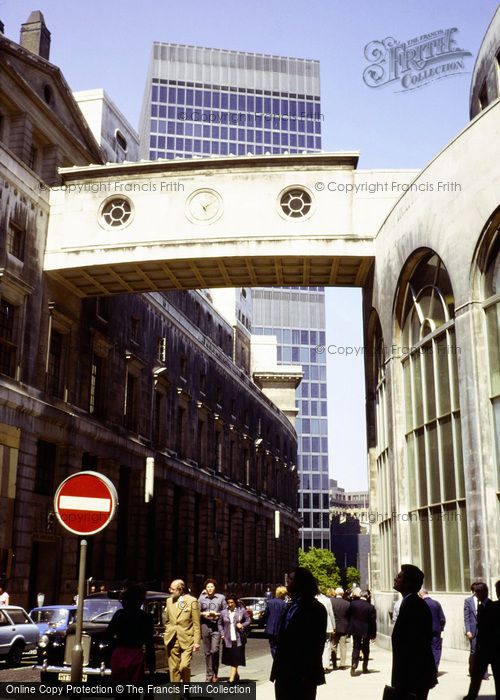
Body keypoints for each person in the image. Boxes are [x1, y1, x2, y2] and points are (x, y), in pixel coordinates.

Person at [270, 567, 327, 700]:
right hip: (284, 673)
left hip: (303, 675)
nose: (287, 584)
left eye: (290, 580)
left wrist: (307, 673)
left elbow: (317, 644)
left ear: (300, 583)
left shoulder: (316, 608)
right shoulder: (290, 606)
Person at [391, 565, 437, 700]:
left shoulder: (414, 605)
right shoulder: (409, 603)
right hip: (412, 675)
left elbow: (413, 645)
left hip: (413, 676)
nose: (395, 579)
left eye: (399, 577)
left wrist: (402, 680)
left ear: (408, 583)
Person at [107, 584, 155, 684]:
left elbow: (109, 634)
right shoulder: (145, 617)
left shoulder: (119, 614)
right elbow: (149, 643)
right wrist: (151, 667)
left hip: (119, 654)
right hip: (135, 656)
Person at [463, 582, 500, 700]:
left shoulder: (492, 606)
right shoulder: (489, 605)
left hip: (487, 647)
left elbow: (484, 628)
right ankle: (471, 696)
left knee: (477, 676)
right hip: (489, 647)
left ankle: (471, 696)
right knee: (477, 675)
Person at [163, 578, 201, 682]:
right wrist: (168, 632)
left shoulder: (192, 601)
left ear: (180, 589)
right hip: (172, 639)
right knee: (174, 669)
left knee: (184, 666)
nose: (170, 590)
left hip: (187, 640)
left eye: (172, 589)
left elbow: (196, 623)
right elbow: (167, 621)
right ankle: (176, 696)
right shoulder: (169, 601)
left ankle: (186, 689)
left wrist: (196, 642)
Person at [218, 594, 251, 682]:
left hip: (239, 638)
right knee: (231, 657)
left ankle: (231, 679)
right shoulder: (223, 612)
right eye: (228, 602)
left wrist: (242, 625)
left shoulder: (242, 611)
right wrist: (222, 633)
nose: (230, 604)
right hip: (227, 638)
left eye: (232, 602)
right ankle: (236, 675)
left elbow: (248, 620)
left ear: (235, 602)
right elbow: (220, 624)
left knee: (235, 657)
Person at [198, 578, 226, 681]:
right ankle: (209, 675)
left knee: (215, 650)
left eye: (212, 586)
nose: (210, 589)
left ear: (215, 588)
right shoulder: (201, 599)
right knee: (207, 652)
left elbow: (225, 612)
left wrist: (217, 614)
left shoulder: (221, 598)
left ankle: (215, 672)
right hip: (205, 625)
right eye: (208, 587)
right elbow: (196, 612)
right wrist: (203, 614)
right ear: (205, 588)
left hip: (216, 626)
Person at [347, 589, 376, 675]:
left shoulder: (353, 604)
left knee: (356, 647)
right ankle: (365, 667)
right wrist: (373, 634)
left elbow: (348, 615)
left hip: (355, 629)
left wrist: (350, 625)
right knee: (366, 648)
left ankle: (354, 664)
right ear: (367, 596)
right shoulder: (370, 607)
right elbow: (373, 621)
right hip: (366, 630)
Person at [464, 582, 487, 679]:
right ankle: (473, 671)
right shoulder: (468, 601)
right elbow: (466, 617)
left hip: (484, 630)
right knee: (474, 651)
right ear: (473, 591)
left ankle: (484, 674)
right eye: (476, 591)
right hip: (473, 630)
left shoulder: (486, 601)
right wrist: (468, 630)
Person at [419, 589, 446, 670]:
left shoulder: (420, 604)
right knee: (436, 649)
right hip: (436, 631)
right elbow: (442, 619)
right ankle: (435, 668)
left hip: (424, 631)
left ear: (420, 595)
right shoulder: (436, 603)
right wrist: (440, 628)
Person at [263, 585, 287, 658]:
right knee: (280, 646)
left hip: (270, 629)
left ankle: (275, 659)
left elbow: (266, 614)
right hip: (280, 629)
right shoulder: (284, 604)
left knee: (272, 646)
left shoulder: (270, 602)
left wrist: (268, 623)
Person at [330, 586, 350, 670]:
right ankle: (342, 664)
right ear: (342, 594)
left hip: (334, 627)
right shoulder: (347, 603)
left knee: (333, 646)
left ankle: (334, 664)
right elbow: (348, 616)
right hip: (343, 627)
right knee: (343, 646)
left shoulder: (331, 602)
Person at [316, 590, 335, 672]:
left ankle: (318, 665)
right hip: (327, 625)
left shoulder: (312, 600)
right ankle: (325, 666)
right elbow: (331, 614)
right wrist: (334, 626)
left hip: (316, 627)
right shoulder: (327, 600)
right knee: (326, 646)